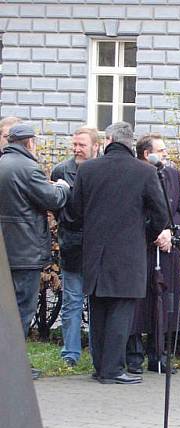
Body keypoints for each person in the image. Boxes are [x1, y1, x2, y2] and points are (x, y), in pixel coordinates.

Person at [67, 122, 167, 384]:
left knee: (98, 311)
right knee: (121, 314)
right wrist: (144, 235)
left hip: (95, 253)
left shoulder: (87, 169)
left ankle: (100, 367)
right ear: (130, 142)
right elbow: (161, 215)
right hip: (128, 254)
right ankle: (113, 370)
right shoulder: (145, 172)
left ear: (109, 139)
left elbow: (75, 213)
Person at [125, 133, 180, 375]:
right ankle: (134, 356)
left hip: (167, 247)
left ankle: (159, 354)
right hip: (142, 247)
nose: (165, 154)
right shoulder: (134, 173)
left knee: (163, 302)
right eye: (161, 150)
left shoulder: (170, 173)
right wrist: (155, 231)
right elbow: (132, 209)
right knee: (139, 304)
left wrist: (171, 232)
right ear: (146, 154)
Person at [0, 123, 70, 345]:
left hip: (8, 247)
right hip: (24, 250)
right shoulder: (29, 168)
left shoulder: (3, 163)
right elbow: (52, 199)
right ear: (30, 142)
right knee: (22, 308)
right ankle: (13, 366)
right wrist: (62, 187)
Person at [52, 126, 100, 367]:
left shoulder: (103, 170)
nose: (77, 149)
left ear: (96, 146)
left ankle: (97, 351)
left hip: (99, 248)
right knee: (72, 301)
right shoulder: (61, 170)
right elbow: (58, 208)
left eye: (82, 144)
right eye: (75, 144)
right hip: (72, 245)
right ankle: (70, 353)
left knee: (99, 302)